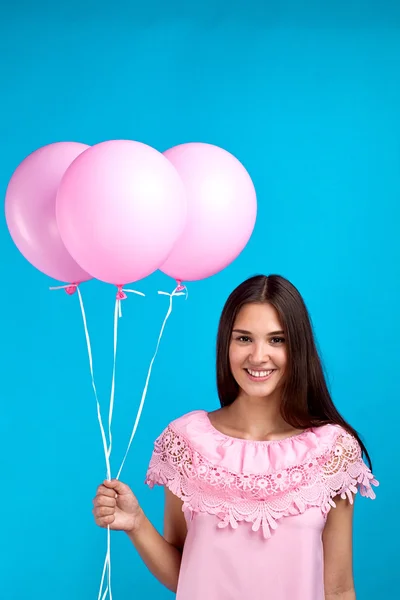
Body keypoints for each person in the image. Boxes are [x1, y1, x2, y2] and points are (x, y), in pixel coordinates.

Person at [93, 274, 378, 600]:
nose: (258, 356)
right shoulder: (187, 442)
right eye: (244, 339)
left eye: (276, 340)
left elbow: (339, 589)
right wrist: (137, 523)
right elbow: (183, 571)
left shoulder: (331, 451)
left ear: (298, 347)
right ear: (225, 343)